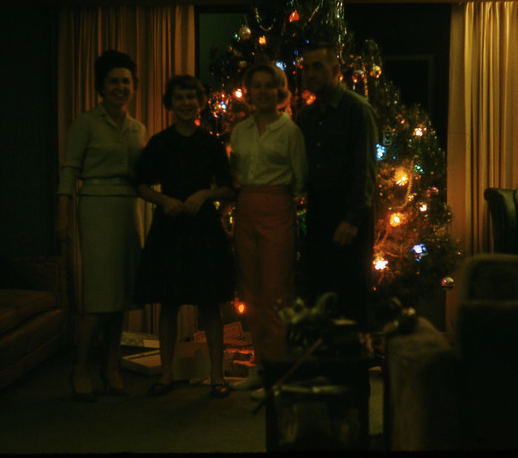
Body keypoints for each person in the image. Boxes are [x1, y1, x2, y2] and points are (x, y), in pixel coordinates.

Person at [133, 75, 236, 398]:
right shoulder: (159, 143)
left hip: (203, 229)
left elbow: (229, 187)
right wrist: (163, 201)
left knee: (210, 303)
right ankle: (165, 375)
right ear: (170, 103)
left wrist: (205, 194)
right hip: (170, 228)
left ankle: (217, 377)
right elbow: (140, 183)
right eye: (179, 97)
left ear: (201, 101)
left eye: (192, 97)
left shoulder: (211, 143)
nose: (186, 102)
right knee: (169, 303)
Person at [56, 50, 146, 402]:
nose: (120, 87)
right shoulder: (85, 123)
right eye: (113, 81)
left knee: (121, 295)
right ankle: (80, 368)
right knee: (99, 295)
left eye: (126, 81)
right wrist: (62, 215)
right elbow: (69, 171)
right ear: (101, 87)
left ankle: (111, 368)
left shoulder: (139, 128)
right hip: (94, 206)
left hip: (129, 209)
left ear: (134, 86)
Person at [229, 62, 307, 393]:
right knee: (253, 292)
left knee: (277, 292)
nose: (261, 92)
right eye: (255, 86)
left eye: (268, 86)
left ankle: (280, 369)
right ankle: (262, 365)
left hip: (277, 208)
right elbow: (234, 173)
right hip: (245, 209)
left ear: (280, 91)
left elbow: (301, 178)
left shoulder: (290, 131)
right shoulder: (239, 131)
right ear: (249, 92)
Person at [295, 41, 379, 330]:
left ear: (336, 70)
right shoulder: (306, 115)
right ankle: (326, 369)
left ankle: (355, 372)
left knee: (352, 293)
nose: (310, 73)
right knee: (319, 291)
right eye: (305, 68)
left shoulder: (357, 110)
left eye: (317, 66)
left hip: (349, 212)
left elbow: (365, 169)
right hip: (319, 212)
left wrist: (352, 218)